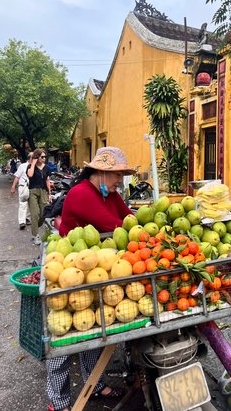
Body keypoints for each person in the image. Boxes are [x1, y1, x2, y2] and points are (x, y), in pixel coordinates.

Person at [48, 147, 136, 411]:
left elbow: (129, 217)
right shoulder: (81, 194)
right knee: (62, 338)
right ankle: (59, 401)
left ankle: (95, 385)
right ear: (100, 172)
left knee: (91, 331)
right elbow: (114, 225)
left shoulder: (109, 193)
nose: (120, 179)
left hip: (95, 271)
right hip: (67, 275)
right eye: (117, 174)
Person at [27, 148, 52, 245]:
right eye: (42, 157)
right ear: (37, 157)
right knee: (35, 214)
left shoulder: (47, 168)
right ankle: (35, 235)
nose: (44, 158)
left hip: (44, 192)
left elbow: (47, 181)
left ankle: (35, 227)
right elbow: (30, 175)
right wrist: (33, 163)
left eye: (45, 157)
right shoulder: (30, 166)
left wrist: (50, 193)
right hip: (33, 191)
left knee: (43, 214)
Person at [10, 152, 33, 229]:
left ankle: (27, 218)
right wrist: (13, 187)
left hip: (32, 188)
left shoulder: (35, 166)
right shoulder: (22, 166)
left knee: (30, 204)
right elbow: (17, 177)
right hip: (23, 187)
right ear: (30, 158)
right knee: (23, 204)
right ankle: (22, 222)